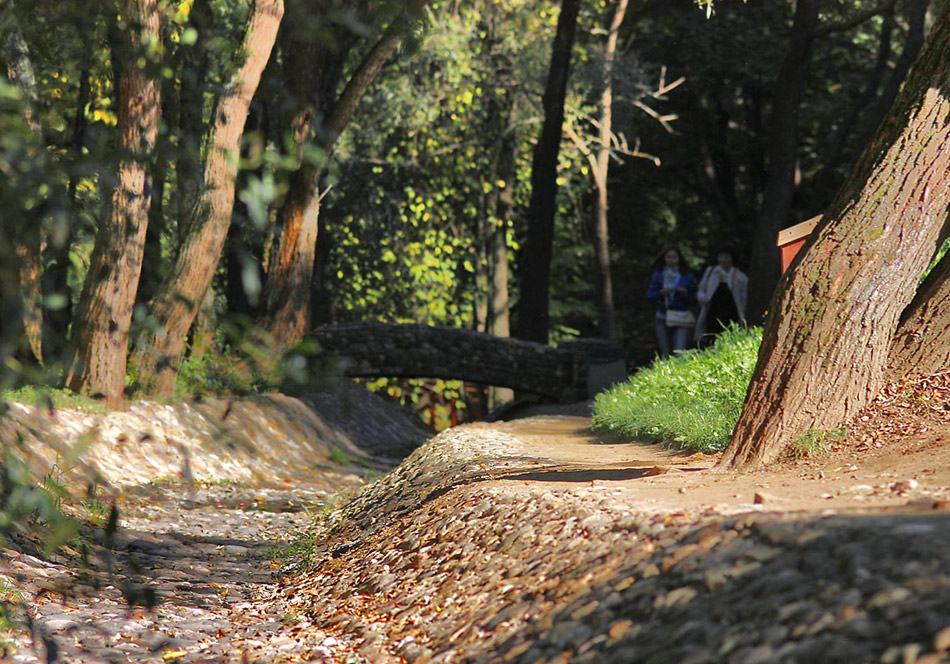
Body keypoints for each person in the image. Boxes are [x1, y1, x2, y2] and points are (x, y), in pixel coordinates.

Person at [647, 246, 697, 359]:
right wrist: (662, 292)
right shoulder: (659, 275)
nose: (671, 260)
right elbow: (650, 296)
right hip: (662, 316)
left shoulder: (686, 276)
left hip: (681, 317)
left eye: (674, 257)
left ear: (679, 258)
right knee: (665, 354)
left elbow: (694, 299)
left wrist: (684, 293)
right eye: (668, 257)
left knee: (679, 353)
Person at [695, 244, 748, 346]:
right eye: (721, 257)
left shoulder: (740, 277)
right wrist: (703, 298)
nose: (723, 260)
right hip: (712, 312)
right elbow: (701, 289)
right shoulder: (711, 272)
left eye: (726, 257)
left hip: (732, 313)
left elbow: (743, 298)